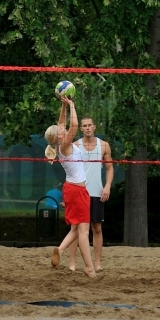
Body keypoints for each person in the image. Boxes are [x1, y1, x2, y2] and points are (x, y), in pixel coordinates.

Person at [44, 96, 96, 278]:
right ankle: (89, 267)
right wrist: (73, 105)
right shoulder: (65, 145)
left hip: (71, 189)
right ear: (58, 136)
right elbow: (73, 126)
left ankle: (60, 249)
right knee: (84, 231)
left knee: (75, 229)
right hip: (77, 190)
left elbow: (63, 121)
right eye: (60, 129)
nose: (62, 126)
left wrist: (64, 105)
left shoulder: (59, 144)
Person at [67, 116, 113, 272]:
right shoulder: (74, 146)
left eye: (89, 125)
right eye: (84, 126)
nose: (87, 128)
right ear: (81, 129)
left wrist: (107, 186)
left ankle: (98, 263)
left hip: (96, 192)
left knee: (97, 228)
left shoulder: (104, 146)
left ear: (94, 127)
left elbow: (109, 168)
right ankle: (72, 264)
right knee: (75, 228)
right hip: (79, 192)